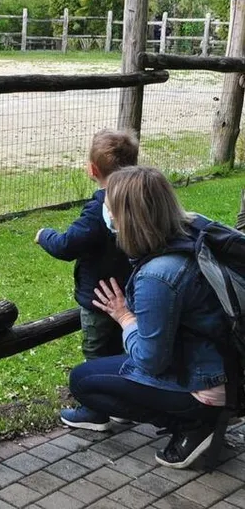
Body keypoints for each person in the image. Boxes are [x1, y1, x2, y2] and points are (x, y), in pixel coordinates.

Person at [66, 166, 228, 469]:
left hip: (207, 385)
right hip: (227, 368)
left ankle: (195, 424)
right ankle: (206, 415)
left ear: (128, 217)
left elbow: (151, 361)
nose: (107, 214)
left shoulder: (159, 275)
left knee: (83, 381)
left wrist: (125, 316)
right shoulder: (195, 231)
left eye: (109, 208)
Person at [35, 129, 138, 431]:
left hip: (98, 299)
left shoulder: (98, 210)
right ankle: (124, 405)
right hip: (130, 294)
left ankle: (95, 410)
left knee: (95, 354)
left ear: (92, 170)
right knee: (123, 349)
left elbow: (68, 245)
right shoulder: (139, 200)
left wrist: (45, 236)